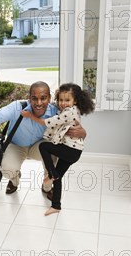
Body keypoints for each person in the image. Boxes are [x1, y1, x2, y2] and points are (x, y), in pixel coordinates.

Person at [0, 81, 86, 194]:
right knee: (8, 169)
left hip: (39, 146)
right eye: (34, 98)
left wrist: (83, 133)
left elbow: (72, 124)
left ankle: (47, 187)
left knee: (53, 155)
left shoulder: (56, 111)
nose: (39, 103)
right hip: (17, 145)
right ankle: (14, 180)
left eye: (43, 98)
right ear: (29, 98)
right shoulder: (17, 107)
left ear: (50, 98)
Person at [21, 83, 95, 216]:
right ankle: (56, 206)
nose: (63, 103)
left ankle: (51, 174)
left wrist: (30, 116)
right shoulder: (72, 109)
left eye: (67, 100)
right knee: (58, 178)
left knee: (43, 146)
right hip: (74, 151)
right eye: (61, 100)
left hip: (70, 150)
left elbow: (47, 122)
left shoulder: (69, 112)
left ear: (75, 101)